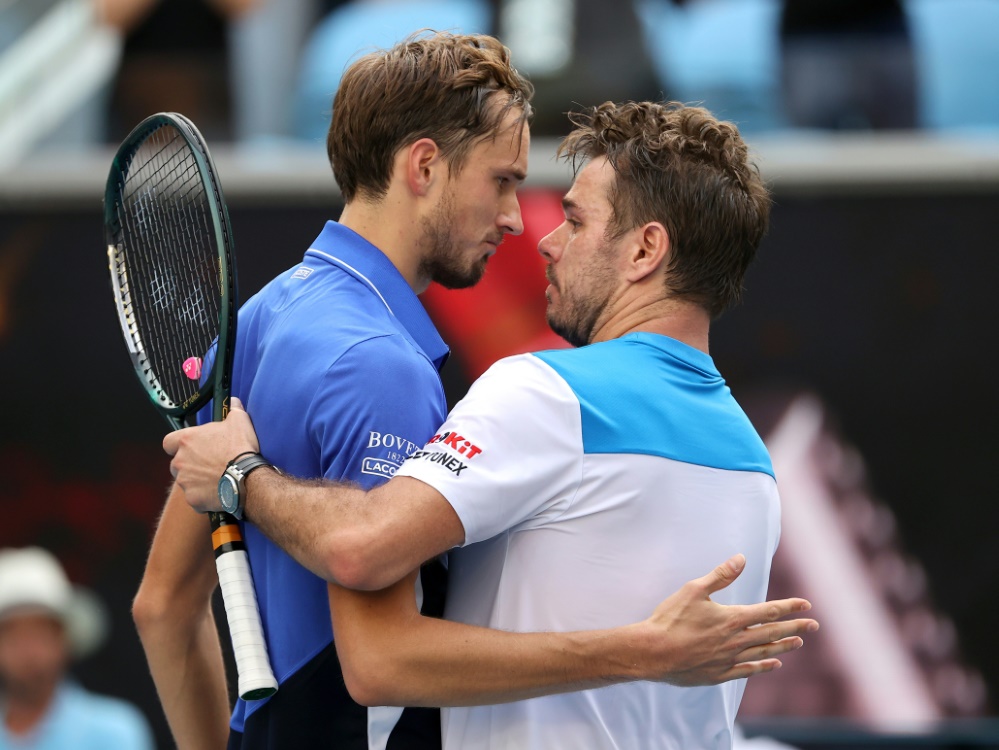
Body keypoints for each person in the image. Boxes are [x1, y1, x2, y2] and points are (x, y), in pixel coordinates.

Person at [166, 97, 817, 748]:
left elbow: (362, 577)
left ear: (645, 249)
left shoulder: (546, 392)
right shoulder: (754, 466)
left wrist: (238, 474)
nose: (545, 241)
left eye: (574, 220)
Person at [0, 547, 154, 750]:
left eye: (40, 633)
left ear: (64, 640)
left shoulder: (115, 730)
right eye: (12, 636)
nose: (28, 650)